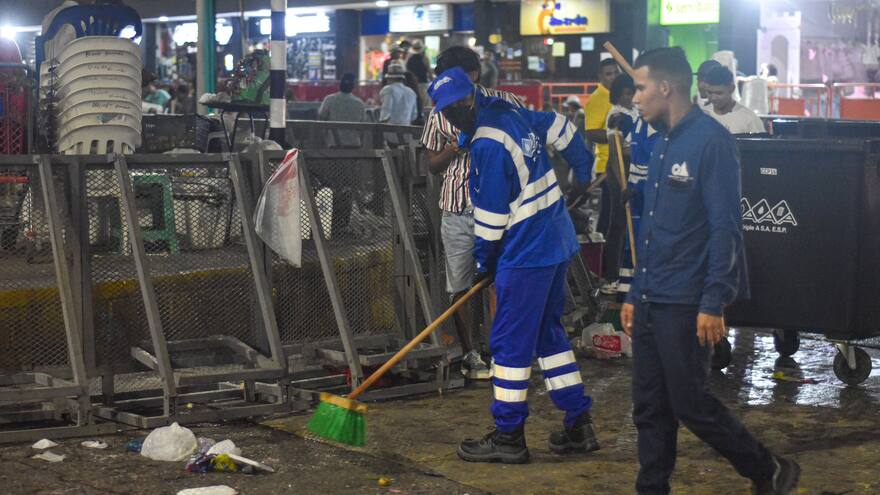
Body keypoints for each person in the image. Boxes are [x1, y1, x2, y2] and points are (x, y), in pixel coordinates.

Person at [622, 47, 800, 495]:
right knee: (648, 407)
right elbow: (653, 230)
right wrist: (633, 293)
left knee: (691, 404)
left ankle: (768, 469)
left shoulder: (712, 142)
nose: (635, 96)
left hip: (686, 299)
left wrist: (713, 299)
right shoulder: (660, 143)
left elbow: (726, 228)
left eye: (641, 87)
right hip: (650, 297)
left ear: (666, 87)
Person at [428, 66, 599, 464]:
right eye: (449, 110)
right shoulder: (509, 111)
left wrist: (484, 264)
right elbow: (561, 126)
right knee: (548, 336)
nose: (456, 114)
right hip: (555, 241)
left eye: (459, 105)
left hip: (526, 252)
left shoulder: (488, 144)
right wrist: (582, 170)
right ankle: (579, 423)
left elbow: (489, 220)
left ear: (471, 95)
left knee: (508, 343)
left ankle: (508, 435)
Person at [420, 46, 524, 380]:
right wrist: (454, 148)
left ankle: (501, 351)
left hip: (499, 208)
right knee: (460, 286)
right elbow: (431, 166)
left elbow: (528, 145)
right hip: (456, 208)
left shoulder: (504, 102)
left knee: (499, 282)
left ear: (474, 76)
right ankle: (470, 354)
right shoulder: (439, 112)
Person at [600, 73, 638, 295]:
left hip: (631, 169)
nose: (630, 96)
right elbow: (615, 152)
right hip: (619, 172)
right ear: (618, 94)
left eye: (632, 92)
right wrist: (621, 183)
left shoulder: (633, 112)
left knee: (628, 223)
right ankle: (611, 275)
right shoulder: (617, 115)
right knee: (618, 224)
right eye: (626, 93)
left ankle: (625, 271)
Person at [584, 58, 620, 278]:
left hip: (621, 164)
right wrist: (615, 135)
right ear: (600, 76)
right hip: (607, 167)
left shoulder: (621, 96)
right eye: (608, 73)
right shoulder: (598, 100)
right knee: (610, 221)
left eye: (615, 72)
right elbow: (590, 132)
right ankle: (605, 269)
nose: (613, 76)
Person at [704, 66, 766, 134]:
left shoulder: (750, 119)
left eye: (719, 93)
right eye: (709, 92)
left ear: (732, 89)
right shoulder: (702, 115)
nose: (713, 98)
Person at [318, 73, 367, 147]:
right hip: (354, 144)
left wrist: (324, 139)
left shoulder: (329, 99)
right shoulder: (359, 103)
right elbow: (363, 125)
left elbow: (321, 116)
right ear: (353, 87)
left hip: (333, 144)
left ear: (339, 85)